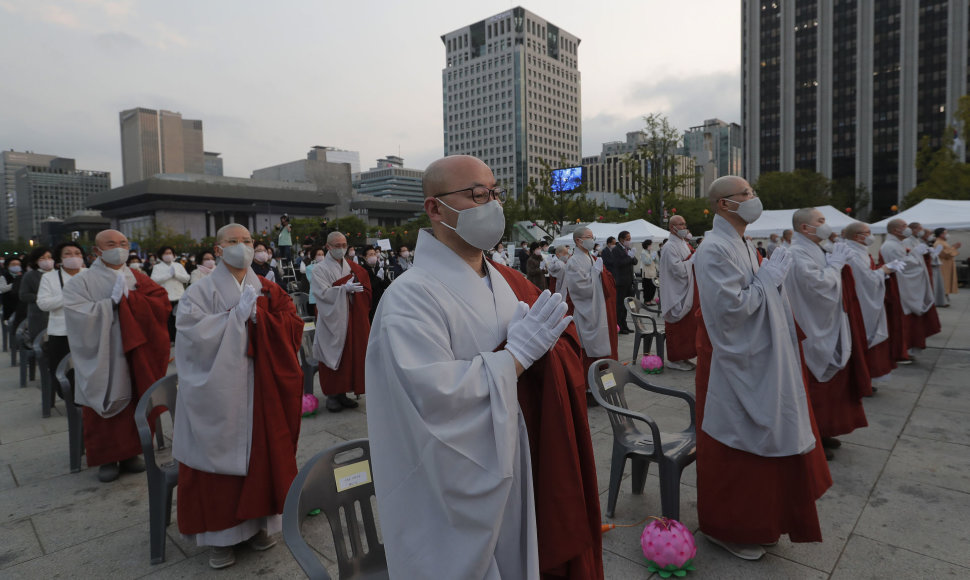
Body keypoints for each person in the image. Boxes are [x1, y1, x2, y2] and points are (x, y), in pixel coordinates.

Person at [367, 155, 602, 579]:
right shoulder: (408, 297)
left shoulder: (507, 280)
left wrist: (546, 353)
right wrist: (513, 359)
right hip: (460, 481)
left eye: (495, 193)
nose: (492, 205)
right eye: (477, 196)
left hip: (518, 455)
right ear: (435, 208)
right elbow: (432, 397)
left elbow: (556, 346)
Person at [693, 176, 831, 560]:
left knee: (765, 446)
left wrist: (769, 282)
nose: (754, 199)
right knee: (736, 448)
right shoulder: (713, 249)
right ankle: (728, 527)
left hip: (761, 358)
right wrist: (768, 281)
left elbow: (756, 296)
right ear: (724, 204)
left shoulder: (743, 243)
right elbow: (729, 312)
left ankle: (761, 521)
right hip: (735, 364)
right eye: (747, 194)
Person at [172, 223, 303, 569]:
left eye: (248, 241)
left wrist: (264, 322)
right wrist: (236, 319)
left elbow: (292, 325)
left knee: (261, 456)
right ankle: (219, 535)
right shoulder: (197, 293)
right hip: (217, 391)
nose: (243, 247)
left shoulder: (269, 289)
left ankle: (260, 524)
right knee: (216, 466)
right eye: (234, 241)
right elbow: (190, 337)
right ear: (217, 250)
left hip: (260, 390)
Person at [62, 229, 171, 482]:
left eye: (123, 243)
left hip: (135, 350)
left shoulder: (135, 276)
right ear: (97, 251)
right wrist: (109, 305)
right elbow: (77, 315)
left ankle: (132, 452)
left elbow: (161, 301)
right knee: (105, 400)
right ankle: (106, 458)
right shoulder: (82, 282)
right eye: (111, 244)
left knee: (135, 398)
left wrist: (133, 300)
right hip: (102, 352)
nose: (118, 248)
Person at [785, 209, 869, 457]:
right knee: (812, 386)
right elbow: (818, 286)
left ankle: (824, 429)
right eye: (820, 221)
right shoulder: (795, 254)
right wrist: (835, 267)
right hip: (810, 326)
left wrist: (834, 264)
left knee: (831, 385)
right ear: (804, 228)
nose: (825, 225)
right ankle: (812, 436)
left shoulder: (816, 249)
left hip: (826, 322)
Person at [311, 232, 372, 413]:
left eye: (344, 244)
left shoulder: (352, 267)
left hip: (351, 317)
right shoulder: (319, 269)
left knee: (350, 355)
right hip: (332, 319)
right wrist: (342, 290)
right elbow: (321, 295)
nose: (341, 248)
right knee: (333, 354)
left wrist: (354, 291)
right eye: (337, 245)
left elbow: (365, 290)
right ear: (328, 247)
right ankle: (332, 395)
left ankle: (344, 393)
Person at [842, 221, 898, 381]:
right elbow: (866, 280)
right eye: (867, 232)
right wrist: (883, 271)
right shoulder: (851, 253)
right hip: (859, 302)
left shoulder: (860, 250)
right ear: (857, 236)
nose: (870, 235)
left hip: (864, 298)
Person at [880, 219, 941, 355]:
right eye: (904, 226)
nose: (907, 228)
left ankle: (907, 349)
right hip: (898, 288)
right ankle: (900, 351)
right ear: (896, 230)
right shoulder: (890, 246)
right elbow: (905, 265)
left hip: (903, 286)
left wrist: (917, 254)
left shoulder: (898, 244)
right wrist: (916, 254)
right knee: (900, 323)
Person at [564, 226, 619, 375]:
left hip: (598, 306)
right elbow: (580, 288)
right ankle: (589, 381)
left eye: (592, 237)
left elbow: (605, 280)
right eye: (589, 237)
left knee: (601, 342)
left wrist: (600, 273)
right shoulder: (573, 262)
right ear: (578, 240)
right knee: (587, 347)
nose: (592, 240)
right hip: (586, 309)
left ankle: (601, 374)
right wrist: (595, 273)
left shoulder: (591, 257)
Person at [37, 242, 87, 398]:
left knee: (88, 369)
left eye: (77, 253)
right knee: (64, 370)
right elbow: (43, 304)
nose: (73, 257)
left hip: (89, 330)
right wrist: (68, 294)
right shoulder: (49, 277)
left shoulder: (90, 274)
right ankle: (70, 400)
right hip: (61, 332)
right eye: (68, 254)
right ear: (59, 258)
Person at [659, 216, 699, 371]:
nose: (684, 227)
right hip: (676, 293)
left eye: (684, 224)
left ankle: (684, 357)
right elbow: (677, 270)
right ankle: (675, 359)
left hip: (686, 290)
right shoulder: (669, 247)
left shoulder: (683, 243)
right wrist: (691, 261)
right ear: (672, 228)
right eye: (680, 224)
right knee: (678, 329)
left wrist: (692, 259)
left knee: (688, 328)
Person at [151, 245, 190, 342]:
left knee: (179, 318)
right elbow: (154, 280)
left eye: (170, 253)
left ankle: (179, 338)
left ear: (173, 255)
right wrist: (168, 275)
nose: (168, 255)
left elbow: (186, 278)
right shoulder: (157, 267)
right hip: (165, 297)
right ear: (161, 255)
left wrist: (176, 275)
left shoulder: (178, 265)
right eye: (165, 253)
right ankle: (169, 339)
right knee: (167, 320)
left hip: (179, 296)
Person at [20, 246, 54, 341]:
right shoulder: (30, 276)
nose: (47, 260)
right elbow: (23, 295)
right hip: (39, 316)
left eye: (49, 257)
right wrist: (42, 298)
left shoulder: (58, 274)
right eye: (42, 258)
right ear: (36, 261)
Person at [607, 230, 637, 334]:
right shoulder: (616, 250)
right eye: (627, 239)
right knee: (620, 306)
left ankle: (625, 325)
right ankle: (619, 326)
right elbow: (619, 263)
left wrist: (632, 256)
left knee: (627, 305)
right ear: (621, 239)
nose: (629, 241)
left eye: (630, 239)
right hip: (621, 282)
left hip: (629, 281)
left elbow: (635, 261)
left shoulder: (627, 249)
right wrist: (629, 257)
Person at [361, 246, 390, 321]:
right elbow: (369, 287)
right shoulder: (362, 270)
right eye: (370, 255)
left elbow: (388, 284)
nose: (373, 256)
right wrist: (378, 278)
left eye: (374, 254)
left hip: (380, 301)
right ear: (364, 257)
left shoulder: (379, 268)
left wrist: (383, 279)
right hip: (370, 304)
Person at [934, 228, 961, 302]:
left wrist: (952, 247)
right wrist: (954, 247)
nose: (947, 235)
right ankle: (942, 299)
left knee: (946, 281)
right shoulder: (938, 243)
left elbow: (948, 251)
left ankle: (945, 297)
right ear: (940, 234)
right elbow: (945, 254)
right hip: (943, 265)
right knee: (944, 281)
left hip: (947, 265)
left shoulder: (943, 242)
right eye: (945, 233)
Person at [1, 256, 24, 330]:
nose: (16, 266)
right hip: (9, 306)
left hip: (21, 305)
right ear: (8, 266)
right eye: (13, 264)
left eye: (18, 264)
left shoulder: (24, 276)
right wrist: (15, 283)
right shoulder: (4, 276)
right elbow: (3, 289)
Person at [304, 245, 325, 318]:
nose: (321, 256)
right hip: (315, 297)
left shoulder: (327, 266)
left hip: (326, 296)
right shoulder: (309, 268)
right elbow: (313, 280)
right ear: (314, 256)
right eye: (319, 254)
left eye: (322, 254)